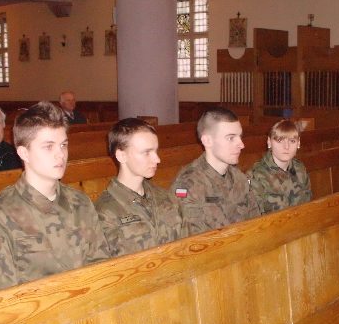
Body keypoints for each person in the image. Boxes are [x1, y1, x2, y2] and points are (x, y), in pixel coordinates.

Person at [0, 101, 110, 296]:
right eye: (48, 147)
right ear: (24, 153)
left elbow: (102, 266)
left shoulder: (80, 202)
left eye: (63, 145)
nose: (60, 155)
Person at [94, 118, 187, 257]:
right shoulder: (104, 213)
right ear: (121, 156)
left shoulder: (167, 198)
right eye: (146, 152)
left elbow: (187, 246)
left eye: (156, 151)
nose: (157, 159)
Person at [170, 107, 260, 235]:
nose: (241, 144)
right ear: (207, 141)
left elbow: (256, 223)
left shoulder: (239, 178)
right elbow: (190, 240)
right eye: (231, 138)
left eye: (240, 137)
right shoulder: (188, 184)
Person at [247, 119, 312, 214]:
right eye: (279, 140)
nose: (286, 146)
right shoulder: (255, 175)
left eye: (292, 141)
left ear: (298, 143)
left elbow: (308, 205)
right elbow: (254, 218)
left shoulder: (300, 168)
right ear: (269, 142)